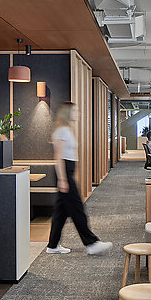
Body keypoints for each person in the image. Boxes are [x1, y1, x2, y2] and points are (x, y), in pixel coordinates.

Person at [47, 102, 112, 255]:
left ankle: (52, 244)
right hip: (64, 174)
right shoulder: (62, 130)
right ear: (68, 113)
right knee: (77, 208)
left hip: (67, 172)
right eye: (76, 111)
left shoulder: (66, 129)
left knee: (61, 212)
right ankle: (91, 243)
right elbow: (58, 156)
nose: (78, 114)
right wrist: (62, 179)